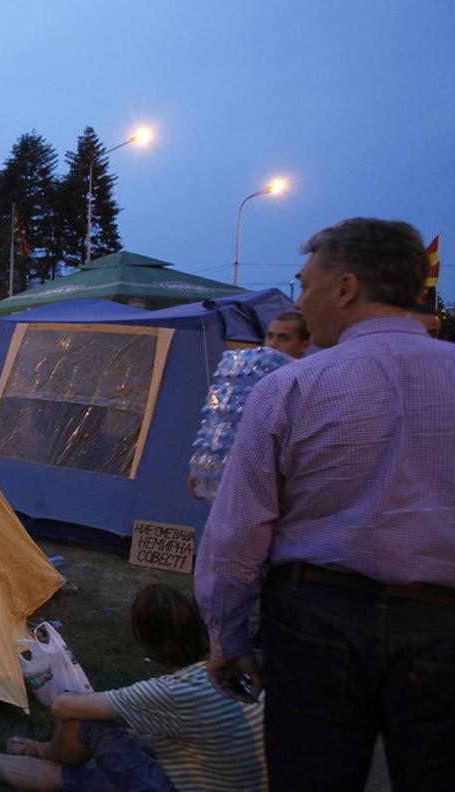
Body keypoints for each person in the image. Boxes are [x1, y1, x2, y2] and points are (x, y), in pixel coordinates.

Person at [195, 218, 455, 790]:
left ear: (345, 288)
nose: (299, 301)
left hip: (320, 622)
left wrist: (227, 639)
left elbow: (239, 531)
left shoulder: (290, 388)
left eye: (305, 284)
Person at [0, 584, 265, 791]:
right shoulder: (239, 676)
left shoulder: (171, 691)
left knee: (84, 722)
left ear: (142, 639)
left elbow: (64, 707)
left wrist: (76, 715)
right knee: (111, 736)